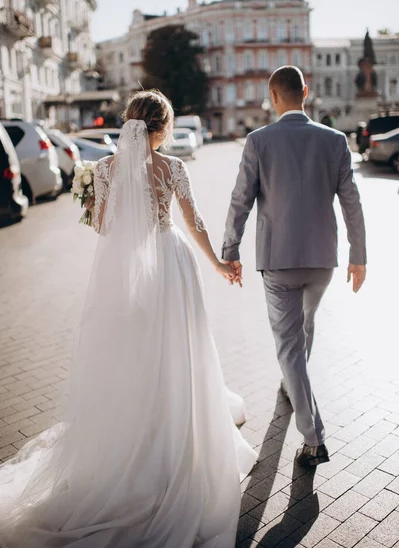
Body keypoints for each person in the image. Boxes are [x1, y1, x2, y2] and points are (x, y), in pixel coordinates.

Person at [0, 90, 257, 547]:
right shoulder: (173, 168)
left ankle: (130, 435)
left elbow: (102, 227)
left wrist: (92, 198)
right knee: (178, 347)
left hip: (122, 273)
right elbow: (193, 222)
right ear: (162, 128)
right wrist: (219, 264)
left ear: (129, 123)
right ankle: (175, 434)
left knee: (127, 352)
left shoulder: (102, 170)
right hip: (171, 265)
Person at [222, 66, 367, 467]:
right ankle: (294, 383)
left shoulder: (258, 141)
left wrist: (230, 250)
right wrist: (359, 255)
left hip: (279, 259)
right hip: (323, 261)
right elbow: (351, 200)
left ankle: (314, 437)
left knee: (288, 347)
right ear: (305, 91)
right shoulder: (335, 140)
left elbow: (240, 201)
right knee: (304, 326)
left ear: (273, 96)